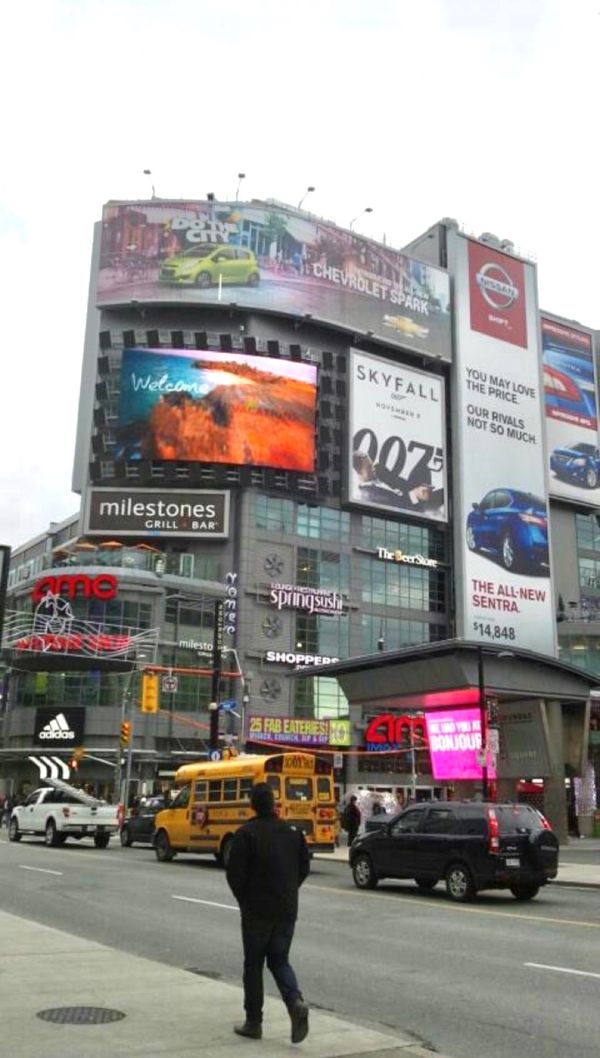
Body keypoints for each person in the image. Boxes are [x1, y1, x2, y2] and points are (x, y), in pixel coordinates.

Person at [226, 783, 310, 1044]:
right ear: (274, 804)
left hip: (257, 911)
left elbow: (234, 874)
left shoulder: (246, 834)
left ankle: (254, 1022)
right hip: (286, 909)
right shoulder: (293, 833)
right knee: (280, 960)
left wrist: (245, 900)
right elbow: (304, 868)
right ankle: (295, 1002)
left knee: (253, 965)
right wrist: (287, 891)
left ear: (252, 805)